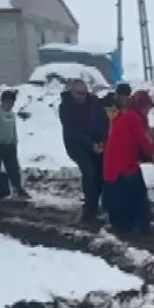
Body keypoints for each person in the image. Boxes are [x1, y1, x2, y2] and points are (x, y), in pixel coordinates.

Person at [102, 85, 154, 234]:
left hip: (117, 163)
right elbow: (143, 140)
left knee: (129, 193)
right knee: (136, 193)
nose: (148, 111)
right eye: (147, 108)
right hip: (122, 165)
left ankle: (130, 223)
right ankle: (138, 225)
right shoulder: (132, 117)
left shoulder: (127, 115)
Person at [58, 78, 110, 223]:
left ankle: (99, 203)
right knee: (89, 172)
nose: (81, 97)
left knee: (102, 171)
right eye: (78, 93)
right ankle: (89, 209)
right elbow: (72, 131)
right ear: (72, 92)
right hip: (76, 145)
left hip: (96, 142)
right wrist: (90, 144)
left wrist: (102, 140)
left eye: (84, 93)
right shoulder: (65, 107)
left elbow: (104, 121)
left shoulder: (94, 103)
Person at [0, 90, 29, 199]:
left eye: (12, 102)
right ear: (3, 101)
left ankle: (18, 188)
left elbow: (13, 129)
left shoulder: (11, 115)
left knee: (13, 168)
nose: (10, 104)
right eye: (9, 102)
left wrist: (14, 142)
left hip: (9, 146)